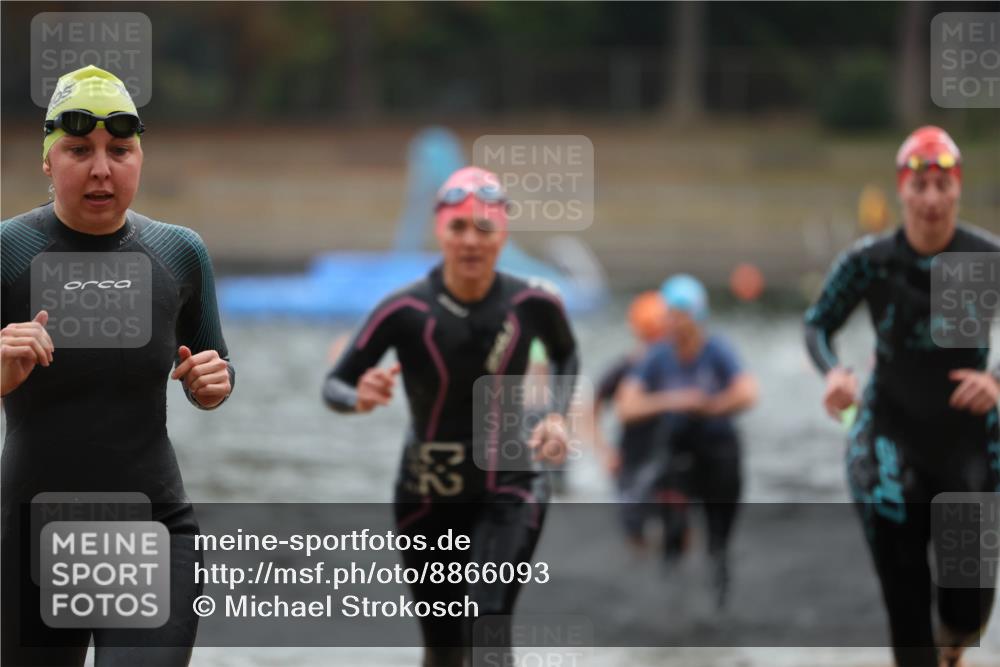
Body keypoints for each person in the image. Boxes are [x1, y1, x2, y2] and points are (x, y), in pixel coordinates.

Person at [1, 65, 234, 666]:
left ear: (139, 159)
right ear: (48, 162)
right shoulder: (8, 252)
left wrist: (212, 384)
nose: (101, 168)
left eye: (120, 150)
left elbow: (214, 371)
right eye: (79, 149)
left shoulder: (179, 253)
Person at [322, 166, 579, 666]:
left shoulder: (534, 303)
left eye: (484, 228)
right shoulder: (403, 310)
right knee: (443, 649)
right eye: (458, 227)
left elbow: (567, 356)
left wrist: (556, 416)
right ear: (440, 231)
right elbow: (336, 382)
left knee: (487, 622)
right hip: (426, 495)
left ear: (502, 234)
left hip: (509, 481)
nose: (470, 241)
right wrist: (359, 396)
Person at [804, 126, 999, 667]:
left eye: (943, 184)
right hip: (889, 433)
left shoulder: (985, 257)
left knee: (967, 609)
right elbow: (818, 324)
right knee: (904, 591)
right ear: (902, 191)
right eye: (921, 186)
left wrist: (998, 381)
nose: (932, 198)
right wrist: (833, 374)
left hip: (969, 438)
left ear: (958, 187)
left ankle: (954, 644)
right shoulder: (871, 260)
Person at [616, 275, 757, 608]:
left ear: (696, 317)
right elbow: (626, 407)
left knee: (718, 535)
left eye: (681, 316)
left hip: (718, 450)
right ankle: (671, 605)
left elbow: (749, 393)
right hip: (676, 450)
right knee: (673, 529)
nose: (674, 324)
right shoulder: (657, 356)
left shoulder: (717, 350)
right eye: (670, 316)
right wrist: (676, 400)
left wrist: (710, 406)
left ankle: (719, 602)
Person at [590, 291, 681, 553]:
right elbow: (590, 407)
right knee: (633, 520)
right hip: (633, 454)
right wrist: (604, 450)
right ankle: (640, 560)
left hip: (669, 452)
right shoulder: (625, 367)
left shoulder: (675, 366)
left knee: (676, 517)